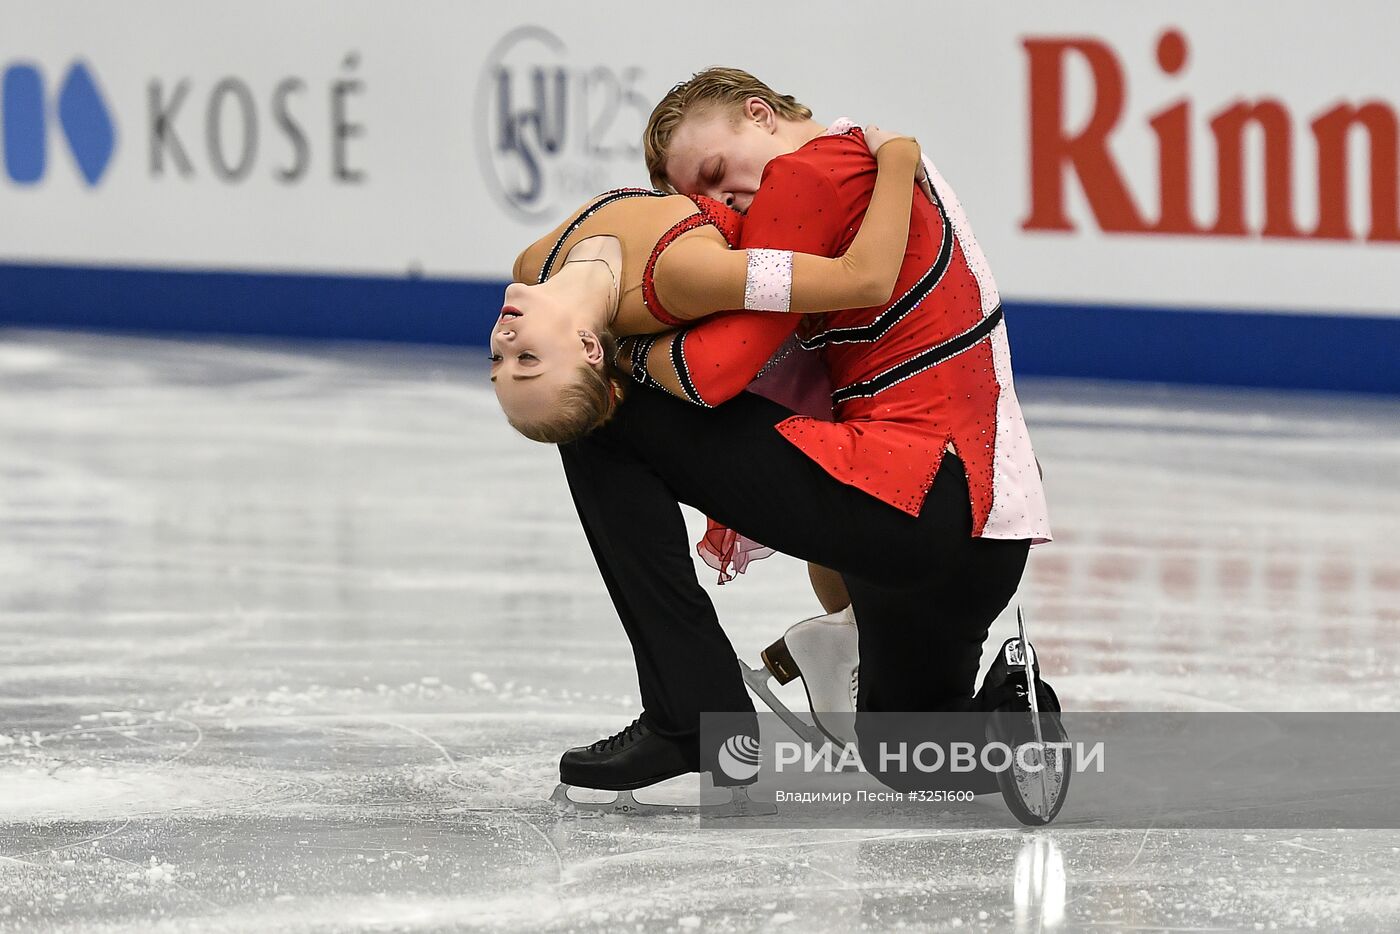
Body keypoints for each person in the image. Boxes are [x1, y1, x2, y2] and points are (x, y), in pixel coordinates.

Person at [548, 68, 1056, 802]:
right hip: (987, 534)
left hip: (911, 495)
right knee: (908, 752)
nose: (725, 201)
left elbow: (714, 372)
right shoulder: (872, 159)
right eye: (704, 198)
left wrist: (606, 349)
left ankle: (693, 718)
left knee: (601, 412)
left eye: (717, 170)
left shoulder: (806, 176)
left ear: (759, 114)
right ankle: (1010, 718)